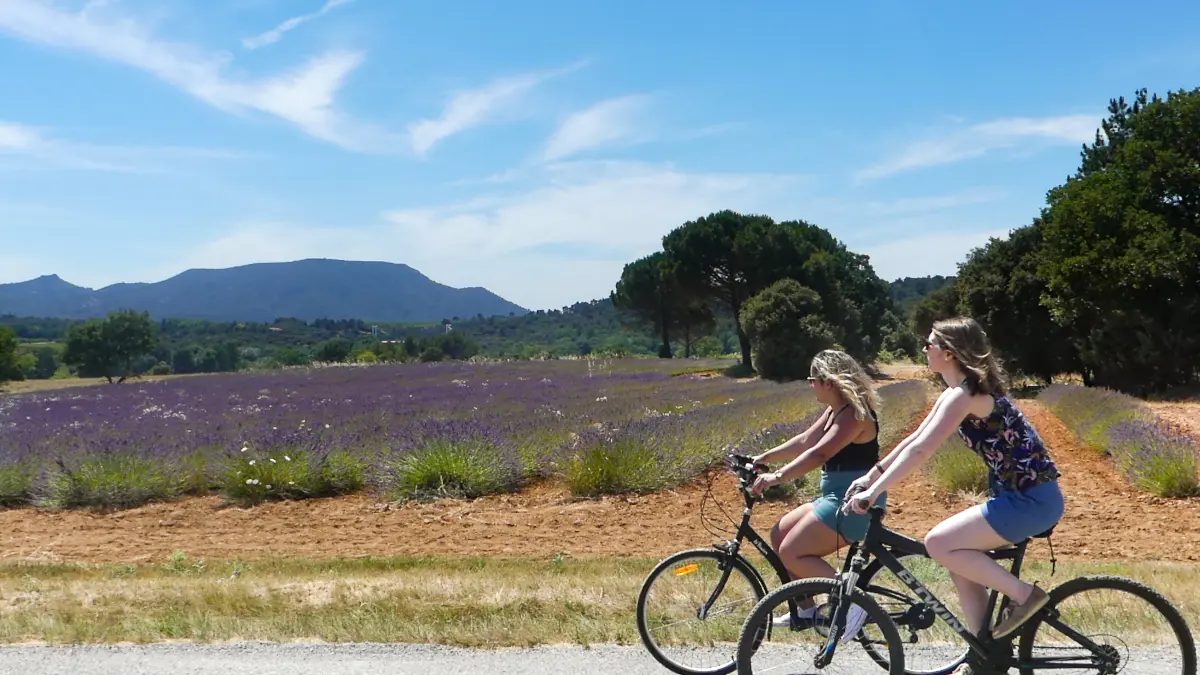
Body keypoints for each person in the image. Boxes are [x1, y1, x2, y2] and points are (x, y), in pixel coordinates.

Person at [844, 317, 1064, 666]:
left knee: (938, 543)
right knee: (956, 555)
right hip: (1019, 498)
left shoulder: (967, 396)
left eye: (928, 344)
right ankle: (984, 655)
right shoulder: (954, 393)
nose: (924, 349)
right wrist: (870, 477)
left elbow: (921, 452)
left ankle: (1025, 596)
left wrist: (874, 492)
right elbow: (913, 440)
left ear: (948, 353)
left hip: (1031, 501)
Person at [749, 349, 884, 635]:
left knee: (792, 552)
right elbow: (805, 441)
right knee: (779, 535)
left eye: (813, 379)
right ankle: (806, 611)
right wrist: (763, 458)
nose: (810, 385)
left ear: (829, 382)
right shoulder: (836, 410)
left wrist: (777, 477)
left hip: (853, 502)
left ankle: (856, 602)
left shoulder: (855, 415)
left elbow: (820, 453)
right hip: (833, 496)